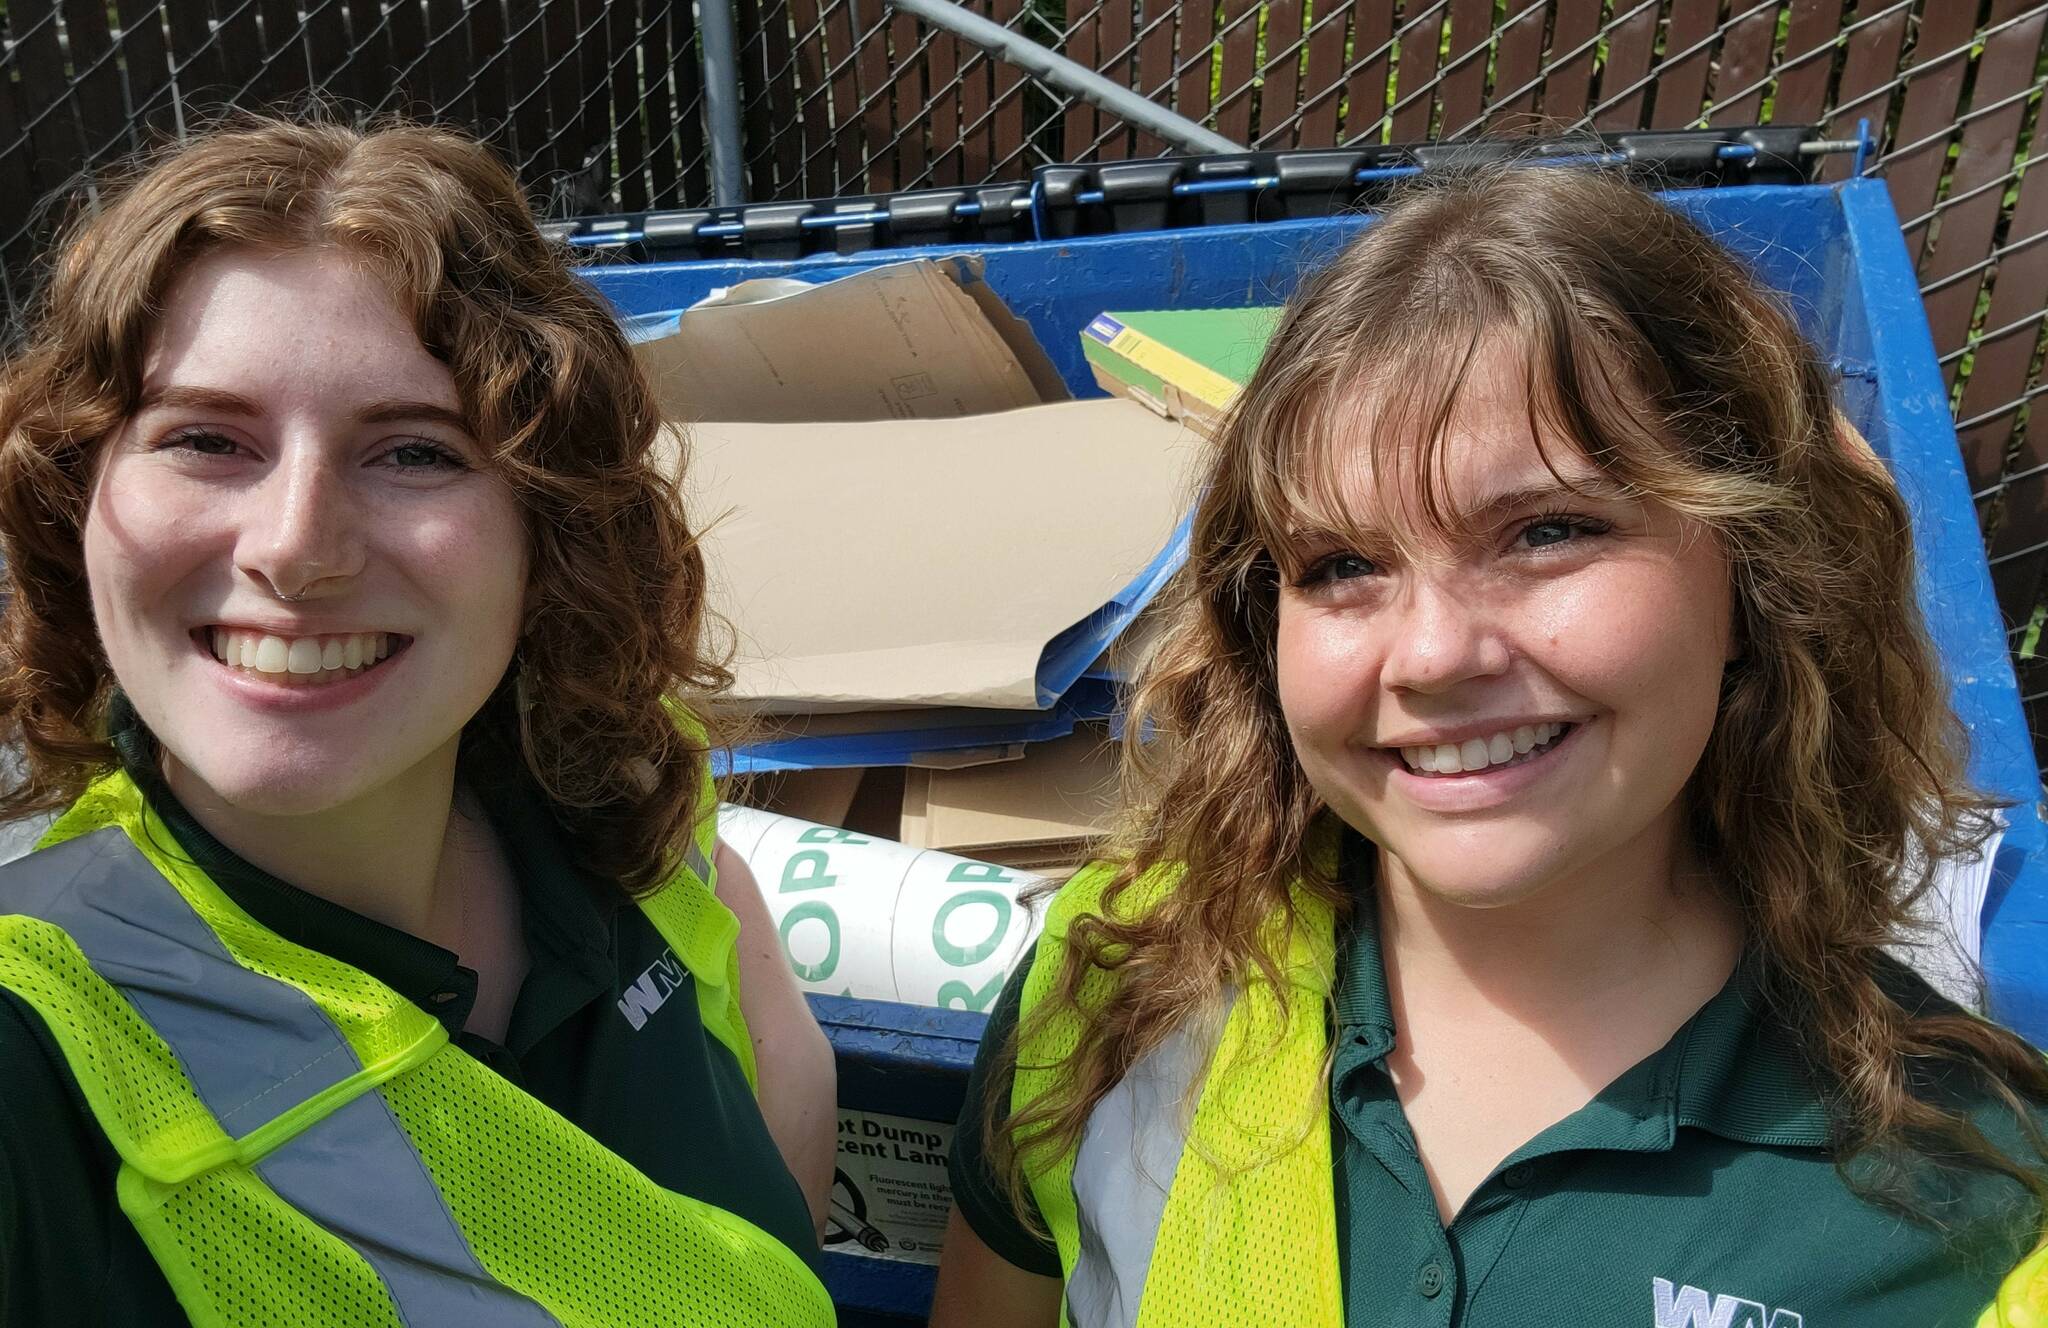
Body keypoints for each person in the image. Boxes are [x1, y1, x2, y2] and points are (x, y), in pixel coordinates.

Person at [931, 165, 2048, 1328]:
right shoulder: (1126, 982)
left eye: (1546, 531)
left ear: (1757, 577)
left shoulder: (1969, 1203)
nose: (1429, 654)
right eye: (1340, 566)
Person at [0, 116, 837, 1325]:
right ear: (77, 502)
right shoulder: (35, 1054)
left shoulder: (627, 813)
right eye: (204, 439)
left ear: (548, 534)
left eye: (413, 453)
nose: (295, 548)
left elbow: (777, 1111)